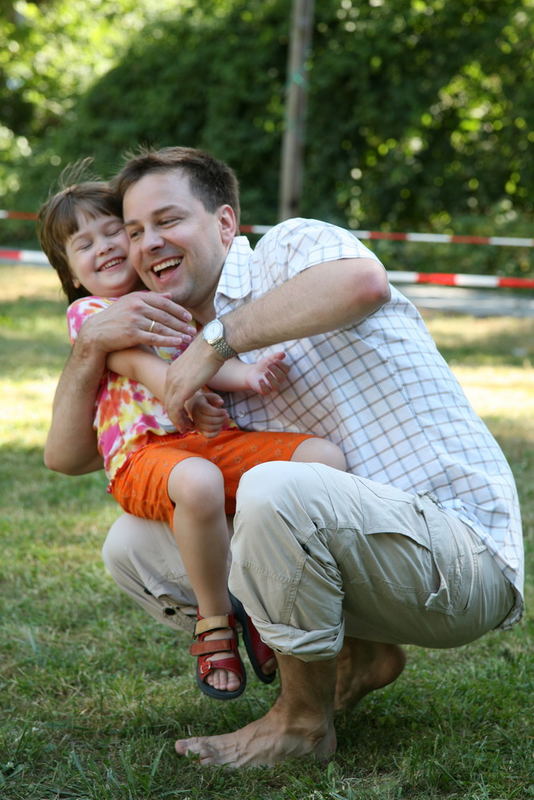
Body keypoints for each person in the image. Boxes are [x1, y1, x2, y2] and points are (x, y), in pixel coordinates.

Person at [45, 146, 523, 767]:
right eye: (134, 231)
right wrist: (92, 347)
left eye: (168, 220)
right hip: (359, 547)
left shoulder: (290, 248)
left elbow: (361, 284)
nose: (146, 243)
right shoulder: (171, 336)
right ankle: (361, 654)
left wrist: (215, 346)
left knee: (275, 486)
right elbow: (71, 456)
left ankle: (300, 725)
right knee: (133, 546)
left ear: (224, 223)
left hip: (457, 556)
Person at [39, 178, 346, 701]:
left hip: (211, 441)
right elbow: (133, 361)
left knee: (321, 457)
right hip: (146, 456)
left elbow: (201, 352)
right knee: (199, 482)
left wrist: (246, 376)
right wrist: (180, 391)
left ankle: (278, 600)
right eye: (84, 244)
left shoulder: (165, 301)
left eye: (116, 232)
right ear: (70, 272)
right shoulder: (90, 316)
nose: (106, 247)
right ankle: (215, 624)